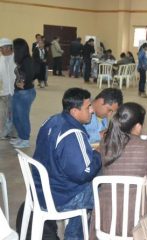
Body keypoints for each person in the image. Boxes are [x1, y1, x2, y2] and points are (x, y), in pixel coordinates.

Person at [89, 102, 147, 238]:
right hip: (138, 220)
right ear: (137, 126)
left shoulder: (105, 143)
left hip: (106, 216)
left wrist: (146, 142)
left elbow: (125, 143)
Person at [33, 88, 102, 239]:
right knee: (103, 188)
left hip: (40, 190)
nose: (92, 110)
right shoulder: (73, 133)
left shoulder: (51, 120)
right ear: (74, 111)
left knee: (88, 185)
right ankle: (75, 235)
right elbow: (84, 173)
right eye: (88, 107)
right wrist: (99, 153)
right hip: (60, 197)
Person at [11, 38, 36, 149]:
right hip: (18, 92)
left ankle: (25, 139)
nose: (12, 48)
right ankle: (21, 137)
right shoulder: (20, 60)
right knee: (16, 116)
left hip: (26, 93)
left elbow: (31, 74)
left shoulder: (27, 60)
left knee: (22, 117)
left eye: (14, 46)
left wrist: (24, 84)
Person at [0, 38, 16, 140]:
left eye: (3, 47)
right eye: (1, 48)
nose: (1, 50)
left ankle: (14, 134)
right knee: (4, 114)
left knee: (15, 114)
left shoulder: (17, 59)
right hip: (5, 92)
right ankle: (5, 132)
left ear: (10, 47)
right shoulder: (0, 60)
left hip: (17, 92)